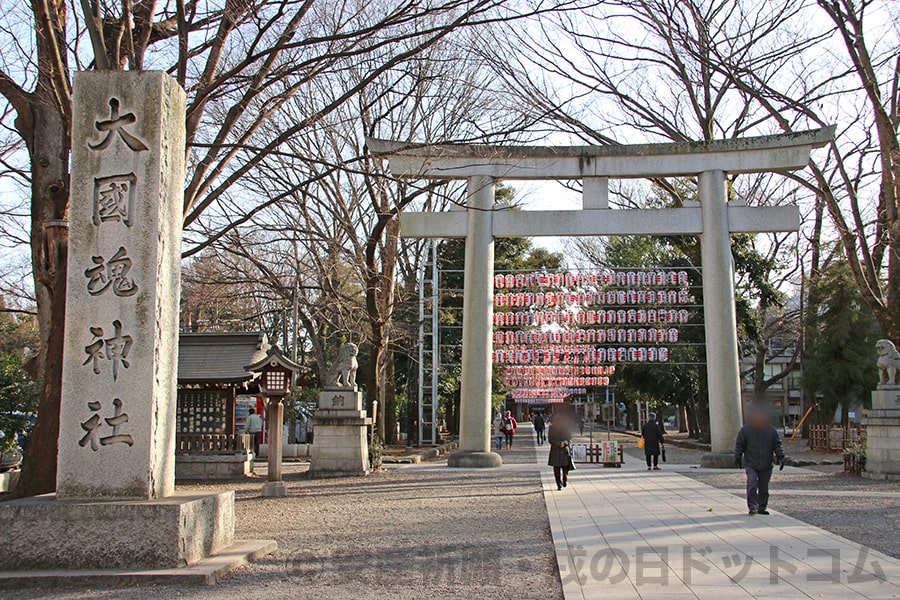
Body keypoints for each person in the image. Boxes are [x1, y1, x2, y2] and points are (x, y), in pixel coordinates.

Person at [734, 403, 785, 516]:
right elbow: (739, 444)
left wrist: (780, 457)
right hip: (751, 463)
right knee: (752, 482)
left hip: (766, 463)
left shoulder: (771, 431)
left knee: (764, 487)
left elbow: (777, 445)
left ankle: (762, 507)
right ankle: (752, 506)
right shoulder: (745, 430)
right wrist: (737, 456)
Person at [547, 414, 574, 490]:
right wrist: (559, 443)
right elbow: (550, 439)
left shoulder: (566, 428)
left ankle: (564, 479)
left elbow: (570, 438)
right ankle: (558, 484)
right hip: (556, 450)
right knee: (557, 469)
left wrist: (565, 443)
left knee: (565, 467)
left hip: (564, 450)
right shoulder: (552, 428)